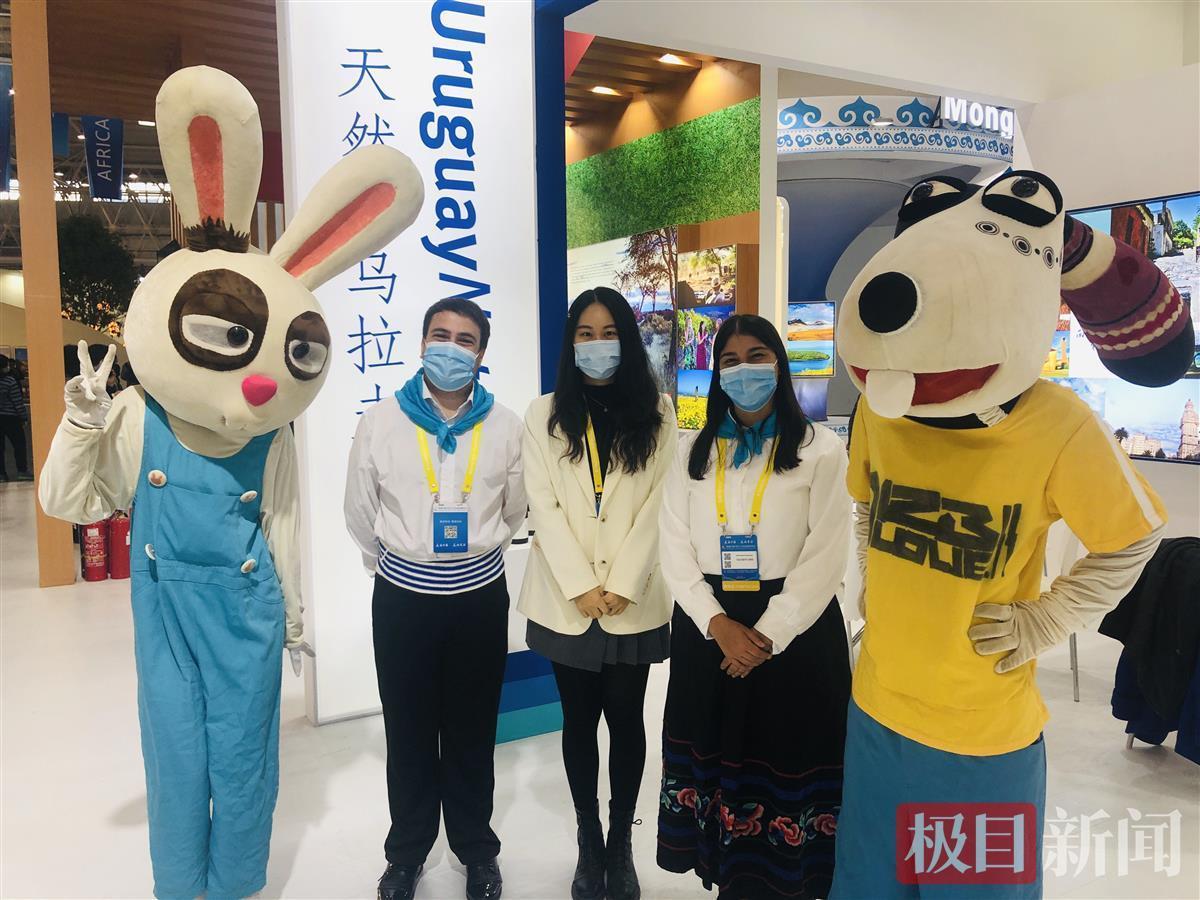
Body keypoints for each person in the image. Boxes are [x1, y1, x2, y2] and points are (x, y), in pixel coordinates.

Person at [657, 314, 852, 899]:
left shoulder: (820, 449)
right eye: (730, 360)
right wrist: (716, 622)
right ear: (717, 372)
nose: (744, 370)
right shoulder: (691, 451)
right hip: (708, 630)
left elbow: (827, 553)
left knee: (787, 762)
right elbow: (673, 545)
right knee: (717, 759)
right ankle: (729, 876)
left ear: (779, 364)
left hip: (797, 631)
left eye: (757, 356)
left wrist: (767, 634)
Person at [344, 298, 526, 900]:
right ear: (422, 344)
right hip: (404, 604)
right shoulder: (381, 421)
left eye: (465, 340)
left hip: (479, 601)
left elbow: (516, 510)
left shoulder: (505, 426)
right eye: (440, 335)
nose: (451, 347)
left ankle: (476, 850)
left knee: (473, 732)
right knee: (409, 733)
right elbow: (359, 510)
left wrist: (473, 552)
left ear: (481, 353)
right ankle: (406, 854)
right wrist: (400, 562)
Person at [519, 287, 678, 900]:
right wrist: (582, 585)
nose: (597, 344)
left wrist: (623, 582)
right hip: (567, 598)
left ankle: (620, 842)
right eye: (585, 334)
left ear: (627, 339)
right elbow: (543, 505)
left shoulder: (658, 412)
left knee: (628, 719)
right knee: (579, 720)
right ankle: (589, 837)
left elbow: (661, 502)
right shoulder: (544, 414)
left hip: (633, 597)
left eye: (608, 332)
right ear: (571, 344)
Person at [0, 354, 32, 481]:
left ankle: (1, 474)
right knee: (19, 444)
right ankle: (22, 471)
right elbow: (17, 402)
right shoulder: (10, 381)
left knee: (0, 448)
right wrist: (24, 417)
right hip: (11, 418)